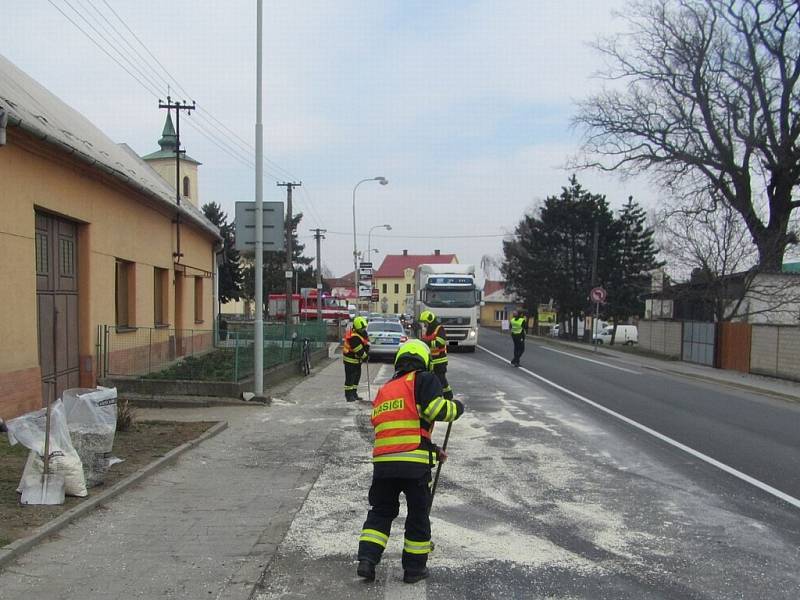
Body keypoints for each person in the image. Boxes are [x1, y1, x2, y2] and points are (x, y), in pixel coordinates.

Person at [356, 339, 465, 584]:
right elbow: (438, 410)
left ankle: (367, 560)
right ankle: (414, 569)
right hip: (414, 465)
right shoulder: (424, 379)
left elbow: (398, 429)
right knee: (418, 514)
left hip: (384, 464)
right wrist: (457, 407)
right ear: (424, 361)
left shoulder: (387, 390)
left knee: (381, 511)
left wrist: (433, 449)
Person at [419, 310, 453, 399]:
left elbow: (440, 342)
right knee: (433, 381)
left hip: (440, 361)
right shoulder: (427, 331)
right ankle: (436, 397)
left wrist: (427, 343)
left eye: (425, 322)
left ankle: (448, 397)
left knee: (441, 380)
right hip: (431, 361)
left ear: (430, 320)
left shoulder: (439, 329)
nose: (424, 324)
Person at [343, 316, 369, 402]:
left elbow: (365, 345)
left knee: (356, 378)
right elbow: (359, 350)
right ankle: (348, 396)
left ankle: (354, 393)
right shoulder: (354, 337)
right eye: (362, 328)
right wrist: (366, 357)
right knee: (350, 379)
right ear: (358, 328)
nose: (364, 330)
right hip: (350, 361)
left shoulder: (361, 334)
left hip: (357, 362)